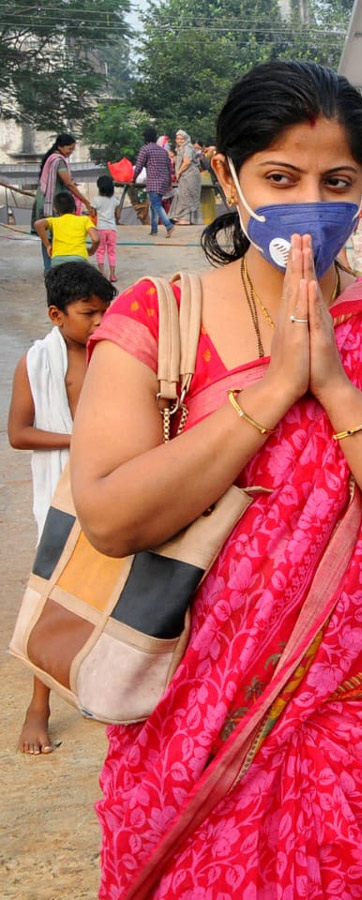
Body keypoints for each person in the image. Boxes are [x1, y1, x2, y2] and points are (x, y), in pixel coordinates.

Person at [70, 61, 362, 899]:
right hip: (200, 720)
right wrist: (271, 392)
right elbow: (111, 519)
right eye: (279, 176)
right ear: (229, 176)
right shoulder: (159, 320)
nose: (310, 199)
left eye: (336, 181)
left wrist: (337, 387)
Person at [8, 262, 115, 755]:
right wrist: (82, 441)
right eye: (88, 313)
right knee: (57, 598)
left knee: (124, 591)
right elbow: (19, 433)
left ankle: (117, 691)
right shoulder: (36, 364)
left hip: (117, 484)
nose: (100, 321)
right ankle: (38, 707)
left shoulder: (116, 355)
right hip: (61, 493)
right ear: (56, 314)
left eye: (105, 310)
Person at [32, 133, 94, 272]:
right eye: (69, 149)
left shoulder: (52, 158)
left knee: (48, 238)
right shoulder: (58, 160)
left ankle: (50, 268)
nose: (70, 152)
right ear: (60, 147)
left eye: (73, 149)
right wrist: (85, 201)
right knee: (54, 237)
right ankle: (51, 270)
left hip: (47, 203)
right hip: (52, 205)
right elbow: (68, 184)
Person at [34, 191, 98, 268]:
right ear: (75, 208)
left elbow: (38, 224)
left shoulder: (54, 221)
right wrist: (92, 250)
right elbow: (96, 239)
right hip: (79, 260)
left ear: (55, 209)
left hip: (58, 260)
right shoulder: (84, 220)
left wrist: (48, 245)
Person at [133, 125, 175, 238]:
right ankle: (154, 229)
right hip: (164, 181)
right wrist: (170, 183)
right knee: (153, 205)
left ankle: (169, 225)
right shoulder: (162, 151)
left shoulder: (145, 149)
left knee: (156, 204)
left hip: (154, 181)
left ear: (145, 138)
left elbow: (138, 167)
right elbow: (169, 168)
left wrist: (133, 179)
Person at [92, 174, 121, 282]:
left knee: (100, 251)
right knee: (111, 252)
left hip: (100, 228)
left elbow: (93, 214)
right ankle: (113, 275)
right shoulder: (115, 200)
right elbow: (118, 216)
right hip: (112, 229)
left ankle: (102, 274)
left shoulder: (96, 200)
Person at [171, 129, 202, 225]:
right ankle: (187, 218)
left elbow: (187, 162)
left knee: (187, 196)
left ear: (186, 139)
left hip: (189, 175)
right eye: (178, 139)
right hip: (186, 175)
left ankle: (185, 219)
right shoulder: (182, 148)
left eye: (182, 139)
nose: (180, 141)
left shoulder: (187, 147)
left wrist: (178, 172)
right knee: (185, 195)